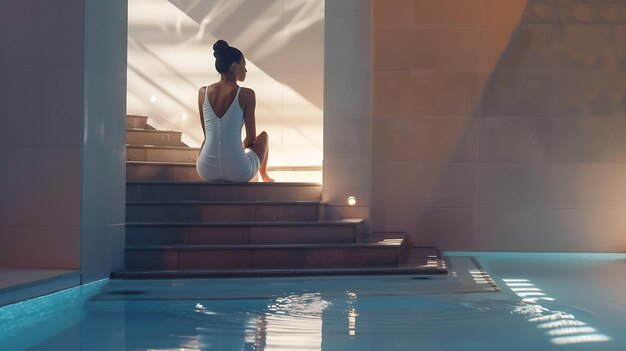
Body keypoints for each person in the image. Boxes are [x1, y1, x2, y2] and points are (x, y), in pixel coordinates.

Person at [196, 39, 274, 182]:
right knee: (263, 137)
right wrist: (237, 151)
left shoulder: (202, 92)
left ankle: (261, 175)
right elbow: (251, 138)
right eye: (244, 65)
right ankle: (265, 176)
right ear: (234, 66)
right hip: (238, 171)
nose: (245, 70)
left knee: (207, 140)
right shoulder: (247, 94)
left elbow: (207, 135)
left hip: (206, 171)